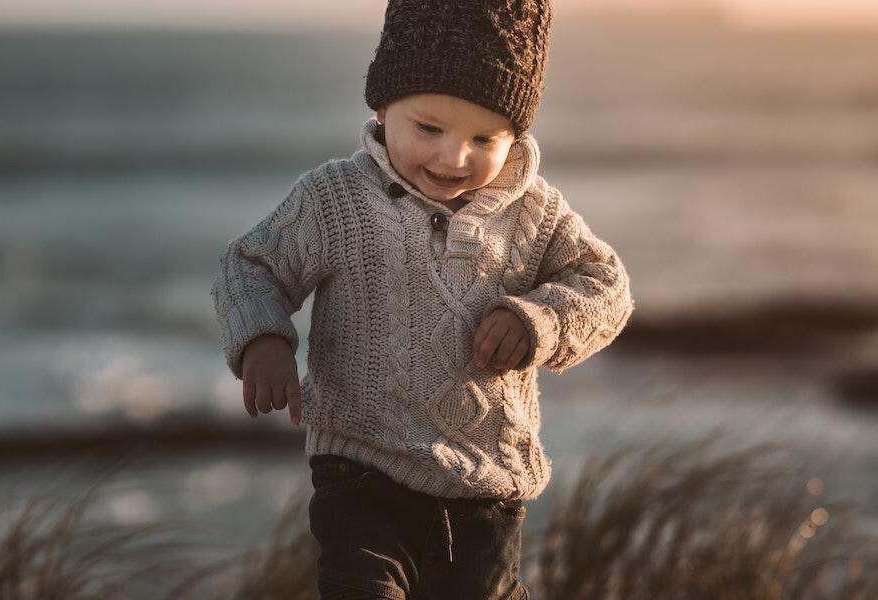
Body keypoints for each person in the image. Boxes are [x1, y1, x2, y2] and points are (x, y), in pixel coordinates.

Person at [210, 1, 635, 598]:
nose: (452, 158)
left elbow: (607, 286)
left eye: (484, 138)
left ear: (516, 136)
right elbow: (250, 265)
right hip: (362, 472)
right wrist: (263, 337)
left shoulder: (535, 212)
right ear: (383, 110)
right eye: (429, 129)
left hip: (487, 490)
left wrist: (540, 319)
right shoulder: (338, 199)